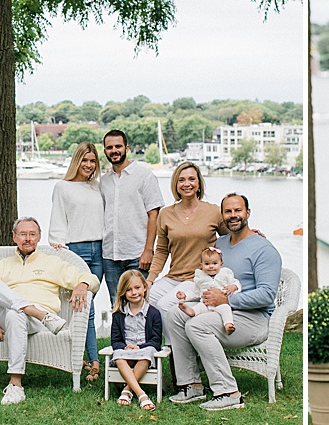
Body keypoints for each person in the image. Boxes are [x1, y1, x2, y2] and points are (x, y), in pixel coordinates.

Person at [167, 193, 281, 411]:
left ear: (248, 213)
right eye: (228, 211)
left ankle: (228, 392)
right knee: (175, 314)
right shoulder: (220, 244)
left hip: (253, 318)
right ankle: (192, 385)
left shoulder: (264, 250)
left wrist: (227, 299)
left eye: (238, 210)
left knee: (197, 325)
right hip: (217, 309)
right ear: (222, 215)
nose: (233, 215)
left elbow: (267, 295)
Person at [0, 217, 95, 405]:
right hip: (17, 317)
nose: (28, 239)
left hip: (34, 322)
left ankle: (15, 385)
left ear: (39, 237)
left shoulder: (52, 262)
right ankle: (35, 311)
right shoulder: (4, 265)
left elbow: (91, 278)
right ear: (14, 237)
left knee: (16, 313)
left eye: (32, 234)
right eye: (23, 234)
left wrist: (82, 284)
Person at [49, 141, 106, 382]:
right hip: (77, 250)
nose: (89, 165)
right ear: (76, 161)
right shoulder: (63, 187)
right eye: (85, 160)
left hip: (100, 250)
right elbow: (57, 220)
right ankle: (93, 361)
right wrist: (58, 246)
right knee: (87, 308)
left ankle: (83, 356)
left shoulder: (98, 188)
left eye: (93, 161)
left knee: (87, 305)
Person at [145, 161, 225, 315]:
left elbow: (231, 238)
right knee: (146, 298)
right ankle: (154, 339)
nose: (187, 184)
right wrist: (149, 280)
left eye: (191, 179)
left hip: (198, 278)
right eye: (181, 180)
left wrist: (249, 233)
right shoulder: (165, 214)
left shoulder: (214, 211)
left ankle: (171, 340)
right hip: (173, 276)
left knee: (163, 305)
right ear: (176, 184)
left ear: (199, 184)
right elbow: (161, 250)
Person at [100, 129, 164, 301]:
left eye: (118, 146)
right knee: (116, 304)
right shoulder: (104, 181)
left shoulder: (144, 176)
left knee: (140, 305)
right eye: (109, 147)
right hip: (110, 255)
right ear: (105, 150)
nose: (114, 151)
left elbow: (154, 215)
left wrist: (148, 251)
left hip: (137, 254)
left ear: (126, 148)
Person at [109, 270, 163, 411]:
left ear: (145, 287)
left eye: (137, 288)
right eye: (128, 289)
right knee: (118, 356)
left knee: (146, 355)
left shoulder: (154, 313)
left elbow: (156, 341)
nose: (134, 292)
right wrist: (125, 347)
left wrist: (140, 347)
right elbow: (115, 340)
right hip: (126, 353)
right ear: (123, 293)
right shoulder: (118, 314)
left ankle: (127, 390)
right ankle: (141, 394)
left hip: (144, 352)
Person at [176, 246, 241, 335]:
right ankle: (191, 311)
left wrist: (233, 286)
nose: (211, 267)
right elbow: (196, 291)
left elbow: (237, 283)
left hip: (220, 303)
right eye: (207, 264)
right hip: (206, 304)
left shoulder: (225, 274)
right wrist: (185, 295)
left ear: (221, 264)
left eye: (215, 263)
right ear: (201, 265)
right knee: (199, 307)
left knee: (226, 309)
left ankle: (228, 325)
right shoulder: (200, 277)